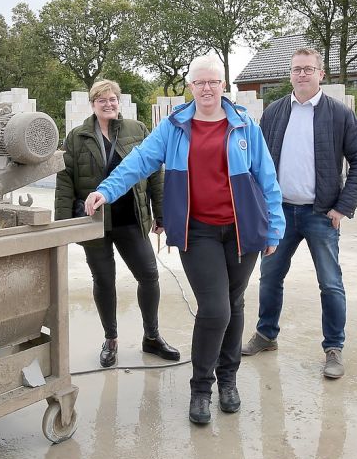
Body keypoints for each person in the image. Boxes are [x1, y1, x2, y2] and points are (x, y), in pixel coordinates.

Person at [85, 56, 284, 424]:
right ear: (190, 87)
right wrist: (106, 190)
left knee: (235, 304)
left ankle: (228, 380)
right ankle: (201, 388)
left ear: (223, 85)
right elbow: (139, 161)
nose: (207, 88)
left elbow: (267, 178)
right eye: (199, 83)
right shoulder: (174, 127)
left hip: (242, 231)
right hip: (199, 230)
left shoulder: (244, 126)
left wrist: (275, 227)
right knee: (216, 308)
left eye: (213, 82)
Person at [241, 47, 357, 380]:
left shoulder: (339, 114)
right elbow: (259, 161)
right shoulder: (274, 112)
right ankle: (267, 334)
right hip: (280, 212)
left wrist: (342, 206)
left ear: (320, 73)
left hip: (320, 214)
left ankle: (334, 348)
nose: (302, 74)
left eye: (308, 69)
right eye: (296, 69)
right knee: (270, 277)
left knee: (330, 283)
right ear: (290, 74)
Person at [55, 79, 180, 368]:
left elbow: (155, 175)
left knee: (149, 275)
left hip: (131, 218)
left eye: (113, 99)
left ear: (118, 101)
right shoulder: (77, 137)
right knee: (103, 280)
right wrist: (62, 224)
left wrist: (161, 214)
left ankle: (152, 336)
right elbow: (64, 181)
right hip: (94, 222)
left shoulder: (137, 131)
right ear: (93, 104)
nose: (108, 104)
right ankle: (110, 339)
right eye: (102, 100)